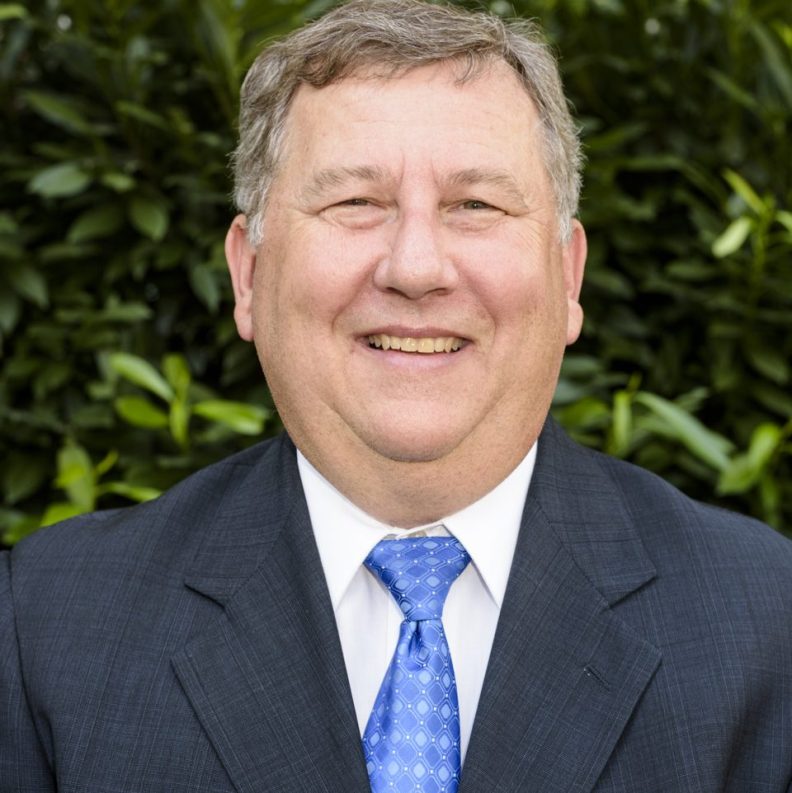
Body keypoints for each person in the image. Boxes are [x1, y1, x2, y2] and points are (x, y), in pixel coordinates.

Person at [2, 0, 791, 790]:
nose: (415, 267)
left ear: (568, 275)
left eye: (476, 205)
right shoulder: (44, 627)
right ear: (248, 273)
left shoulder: (768, 625)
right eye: (355, 203)